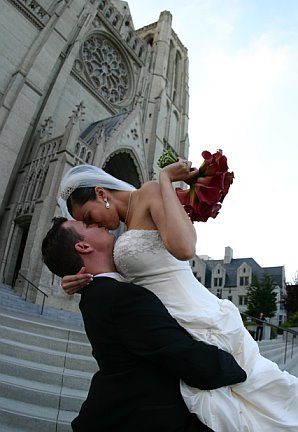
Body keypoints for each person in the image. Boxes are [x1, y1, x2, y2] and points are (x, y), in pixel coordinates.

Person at [59, 163, 298, 432]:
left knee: (261, 400)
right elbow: (124, 281)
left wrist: (164, 180)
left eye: (88, 216)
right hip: (175, 324)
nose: (93, 224)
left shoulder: (150, 192)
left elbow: (185, 248)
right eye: (86, 224)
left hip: (196, 313)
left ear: (102, 194)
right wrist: (79, 282)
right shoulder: (125, 229)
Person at [42, 217, 247, 432]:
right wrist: (240, 370)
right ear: (83, 246)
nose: (97, 223)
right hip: (146, 417)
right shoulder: (119, 297)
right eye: (87, 225)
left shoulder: (95, 293)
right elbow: (180, 353)